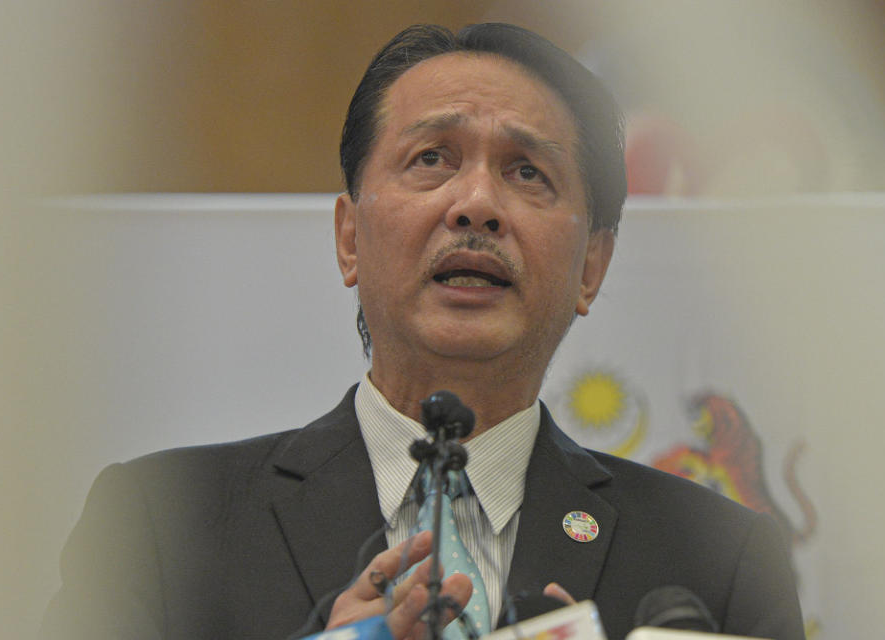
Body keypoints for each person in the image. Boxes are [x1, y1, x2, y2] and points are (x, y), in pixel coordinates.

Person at [42, 23, 804, 640]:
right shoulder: (160, 524)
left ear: (591, 267)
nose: (477, 204)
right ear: (349, 236)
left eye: (526, 172)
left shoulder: (718, 561)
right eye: (432, 158)